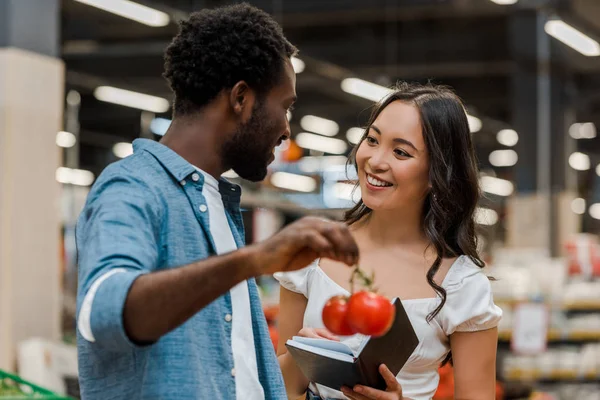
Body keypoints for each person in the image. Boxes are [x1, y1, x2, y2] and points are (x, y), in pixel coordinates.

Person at [75, 4, 359, 400]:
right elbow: (104, 311)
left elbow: (234, 377)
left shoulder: (219, 206)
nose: (287, 129)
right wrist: (256, 260)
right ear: (241, 97)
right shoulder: (133, 186)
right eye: (286, 106)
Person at [275, 83, 503, 400]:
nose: (375, 160)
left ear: (437, 172)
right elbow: (277, 389)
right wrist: (303, 360)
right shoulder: (314, 248)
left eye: (401, 152)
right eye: (372, 139)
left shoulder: (461, 283)